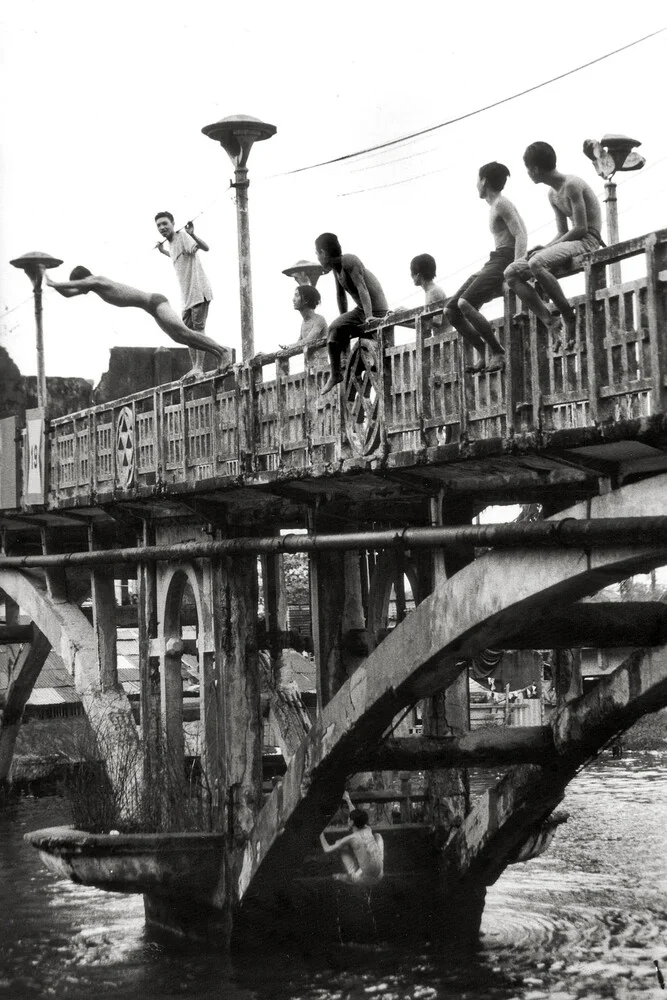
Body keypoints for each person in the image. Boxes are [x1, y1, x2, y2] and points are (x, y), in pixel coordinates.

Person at [504, 142, 603, 352]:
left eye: (528, 169)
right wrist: (546, 246)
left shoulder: (572, 184)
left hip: (588, 240)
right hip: (572, 241)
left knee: (536, 263)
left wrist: (545, 251)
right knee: (511, 273)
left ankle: (568, 316)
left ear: (535, 169)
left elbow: (581, 228)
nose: (528, 173)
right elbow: (562, 231)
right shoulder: (552, 193)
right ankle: (550, 320)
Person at [46, 267, 230, 369]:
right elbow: (69, 293)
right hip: (152, 308)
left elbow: (78, 284)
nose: (81, 290)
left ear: (84, 278)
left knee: (184, 332)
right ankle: (217, 354)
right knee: (179, 338)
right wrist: (44, 279)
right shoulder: (94, 286)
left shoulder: (98, 280)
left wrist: (53, 282)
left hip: (155, 302)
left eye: (81, 284)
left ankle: (223, 351)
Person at [445, 162, 527, 373]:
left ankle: (498, 352)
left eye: (477, 180)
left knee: (465, 303)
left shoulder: (502, 204)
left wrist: (517, 266)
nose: (476, 185)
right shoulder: (495, 206)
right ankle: (483, 352)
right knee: (451, 310)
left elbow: (520, 234)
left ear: (483, 181)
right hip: (495, 258)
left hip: (504, 258)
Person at [314, 233, 388, 394]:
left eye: (317, 253)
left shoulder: (348, 260)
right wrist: (344, 320)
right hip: (361, 310)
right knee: (335, 330)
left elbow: (362, 288)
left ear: (323, 253)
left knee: (335, 329)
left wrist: (369, 316)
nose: (317, 258)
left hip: (375, 310)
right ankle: (337, 374)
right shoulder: (336, 270)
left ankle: (339, 376)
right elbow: (341, 295)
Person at [155, 212, 214, 379]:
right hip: (187, 296)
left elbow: (205, 248)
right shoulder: (172, 243)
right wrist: (163, 251)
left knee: (198, 329)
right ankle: (195, 367)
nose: (162, 227)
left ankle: (199, 367)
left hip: (198, 290)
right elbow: (177, 256)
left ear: (173, 223)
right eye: (159, 225)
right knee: (186, 332)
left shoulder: (183, 236)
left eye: (165, 223)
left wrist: (192, 234)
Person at [319, 790, 384, 882]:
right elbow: (356, 815)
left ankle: (349, 874)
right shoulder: (367, 829)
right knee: (377, 836)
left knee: (341, 846)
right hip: (380, 873)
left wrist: (320, 832)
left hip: (367, 879)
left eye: (349, 819)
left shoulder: (351, 838)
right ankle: (366, 866)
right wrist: (348, 799)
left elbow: (327, 849)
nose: (348, 820)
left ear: (351, 822)